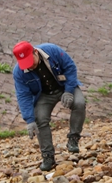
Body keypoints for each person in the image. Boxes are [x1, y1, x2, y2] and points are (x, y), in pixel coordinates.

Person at [12, 41, 86, 170]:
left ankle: (73, 138)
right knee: (39, 119)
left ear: (35, 52)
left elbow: (70, 67)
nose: (30, 66)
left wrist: (69, 91)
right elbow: (23, 95)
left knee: (79, 103)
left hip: (64, 86)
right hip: (44, 94)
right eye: (26, 64)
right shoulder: (19, 72)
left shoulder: (52, 50)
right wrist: (29, 119)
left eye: (31, 62)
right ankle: (48, 156)